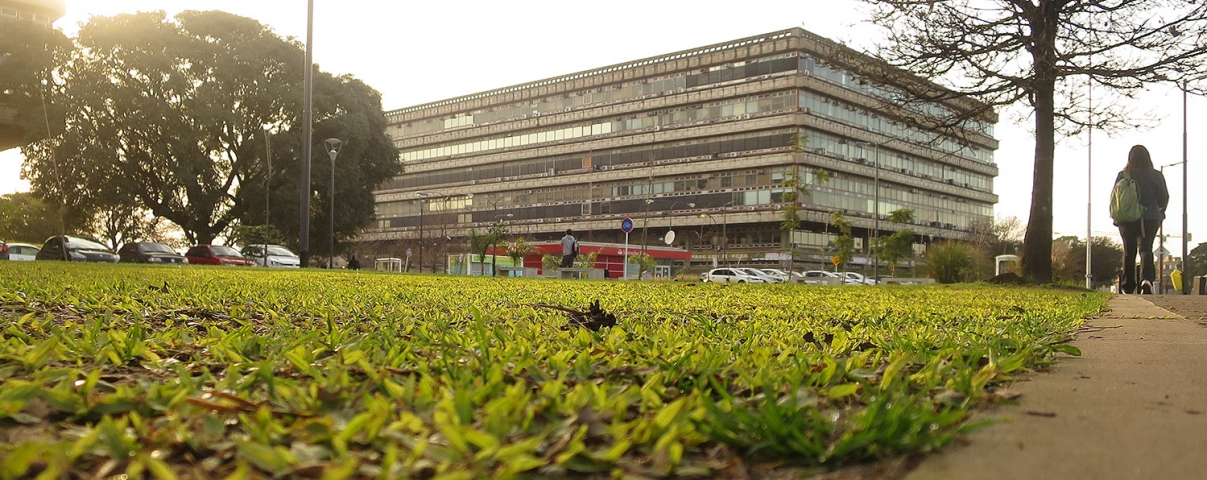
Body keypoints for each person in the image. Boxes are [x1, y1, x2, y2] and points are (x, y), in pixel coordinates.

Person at [1114, 145, 1169, 294]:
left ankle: (1128, 286)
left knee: (1129, 251)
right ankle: (1146, 280)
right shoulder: (1156, 175)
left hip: (1126, 219)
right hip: (1150, 218)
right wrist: (1160, 212)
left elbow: (1115, 199)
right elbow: (1164, 198)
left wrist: (1117, 217)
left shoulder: (1123, 175)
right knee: (1145, 249)